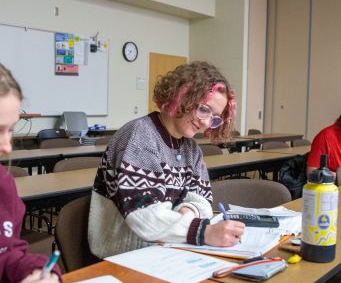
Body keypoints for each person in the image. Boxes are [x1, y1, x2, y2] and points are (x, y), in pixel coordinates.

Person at [88, 61, 245, 258]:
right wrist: (203, 231)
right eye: (204, 109)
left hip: (167, 246)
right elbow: (144, 217)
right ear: (183, 96)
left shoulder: (192, 149)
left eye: (214, 117)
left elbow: (203, 201)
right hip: (125, 254)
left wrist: (188, 211)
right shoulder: (139, 137)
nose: (205, 122)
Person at [0, 63, 61, 283]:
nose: (7, 147)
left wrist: (33, 269)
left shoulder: (4, 185)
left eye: (10, 130)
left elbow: (6, 252)